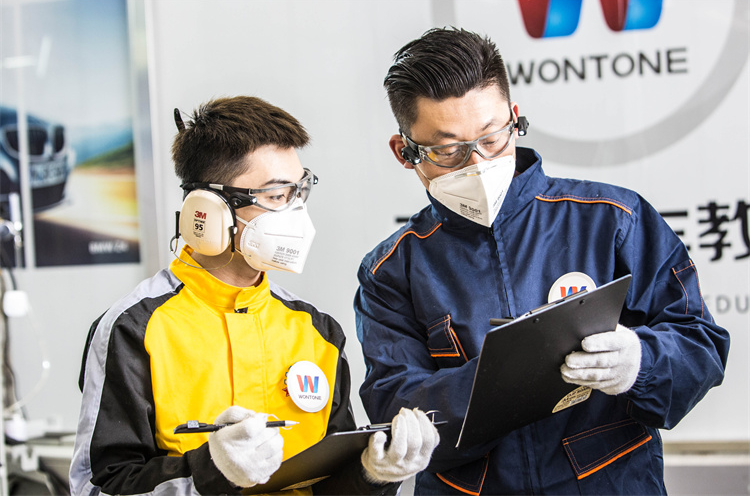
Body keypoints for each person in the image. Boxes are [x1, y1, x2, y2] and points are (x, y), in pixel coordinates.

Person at [354, 28, 730, 495]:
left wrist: (641, 361)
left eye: (493, 137)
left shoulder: (613, 219)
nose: (478, 164)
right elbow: (396, 405)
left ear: (515, 118)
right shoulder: (391, 271)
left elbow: (700, 343)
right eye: (448, 150)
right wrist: (509, 375)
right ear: (405, 152)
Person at [70, 95, 439, 495]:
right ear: (208, 211)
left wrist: (371, 474)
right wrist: (212, 471)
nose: (296, 214)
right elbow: (96, 488)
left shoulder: (315, 330)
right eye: (277, 196)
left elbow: (328, 484)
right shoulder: (134, 329)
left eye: (300, 192)